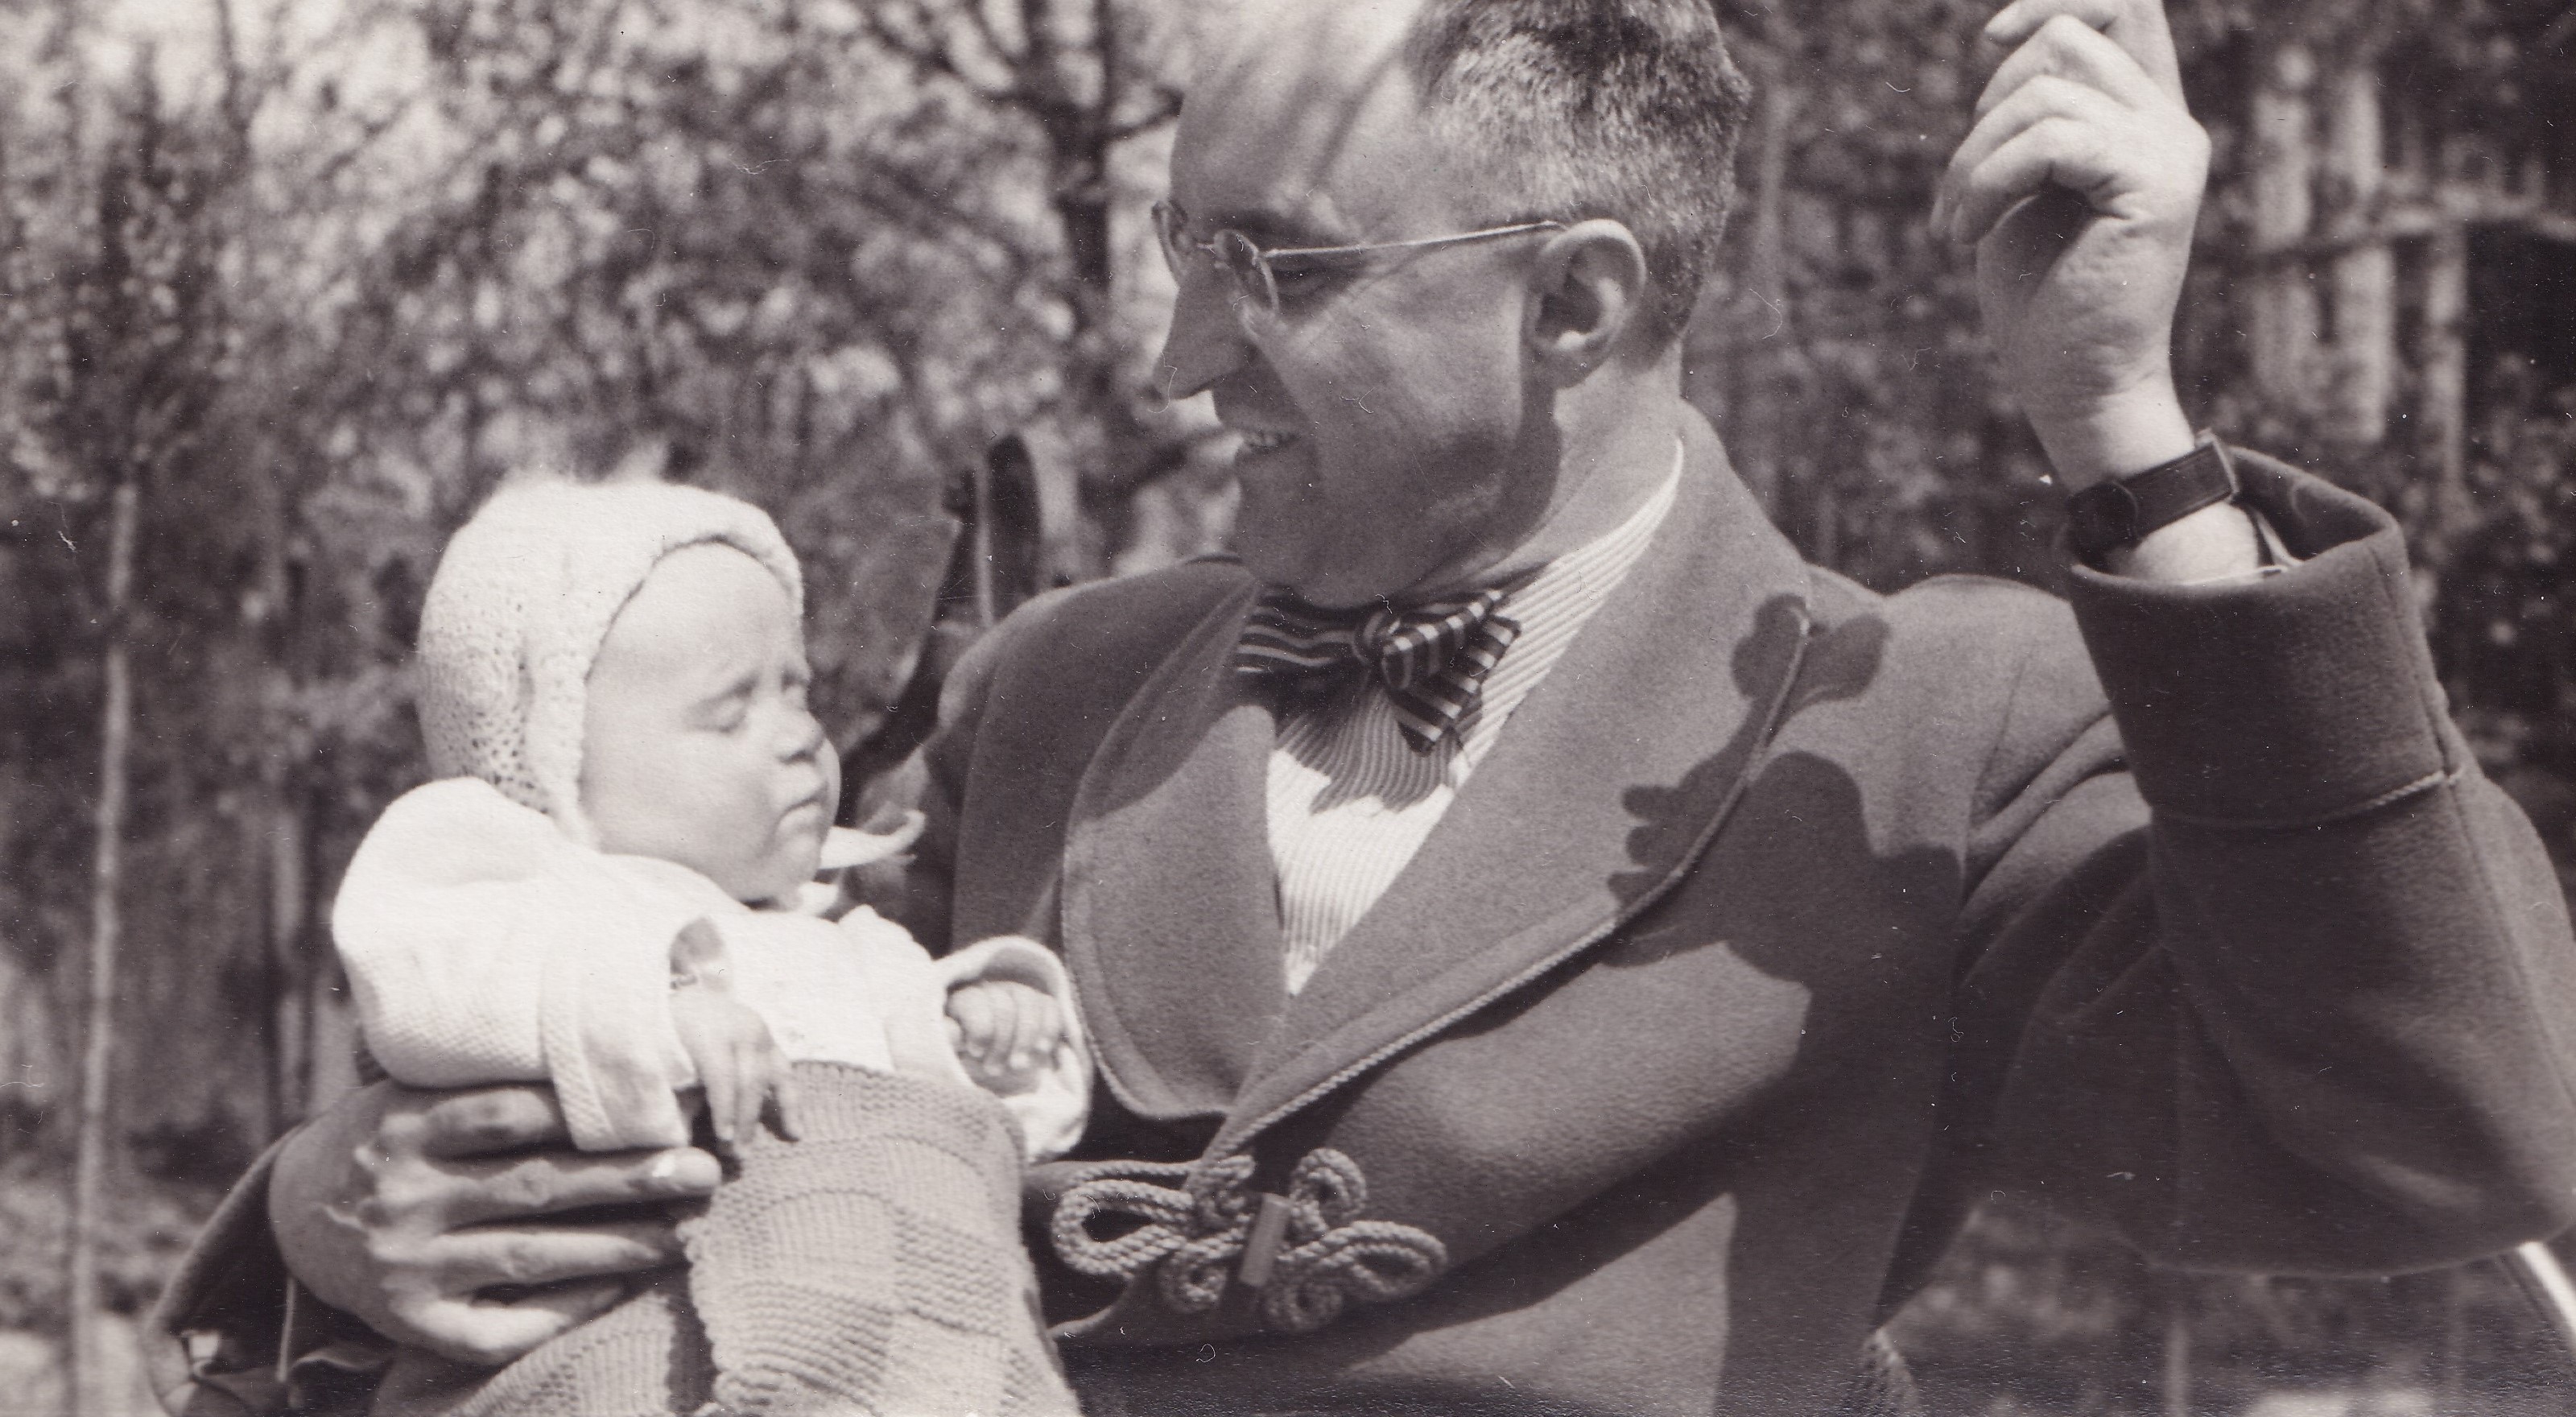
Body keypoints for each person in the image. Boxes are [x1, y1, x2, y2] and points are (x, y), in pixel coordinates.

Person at [154, 1, 2576, 1415]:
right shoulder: (1053, 685)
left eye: (1269, 271)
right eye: (1182, 259)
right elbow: (711, 1057)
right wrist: (328, 1215)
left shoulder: (1920, 719)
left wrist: (2125, 438)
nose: (1177, 357)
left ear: (1574, 305)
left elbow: (2445, 1131)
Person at [295, 477, 1088, 1416]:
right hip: (628, 1359)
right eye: (730, 710)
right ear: (558, 763)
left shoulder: (839, 937)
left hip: (879, 1355)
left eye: (797, 690)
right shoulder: (537, 897)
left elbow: (955, 1119)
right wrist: (647, 1009)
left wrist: (977, 1029)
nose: (800, 737)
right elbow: (425, 981)